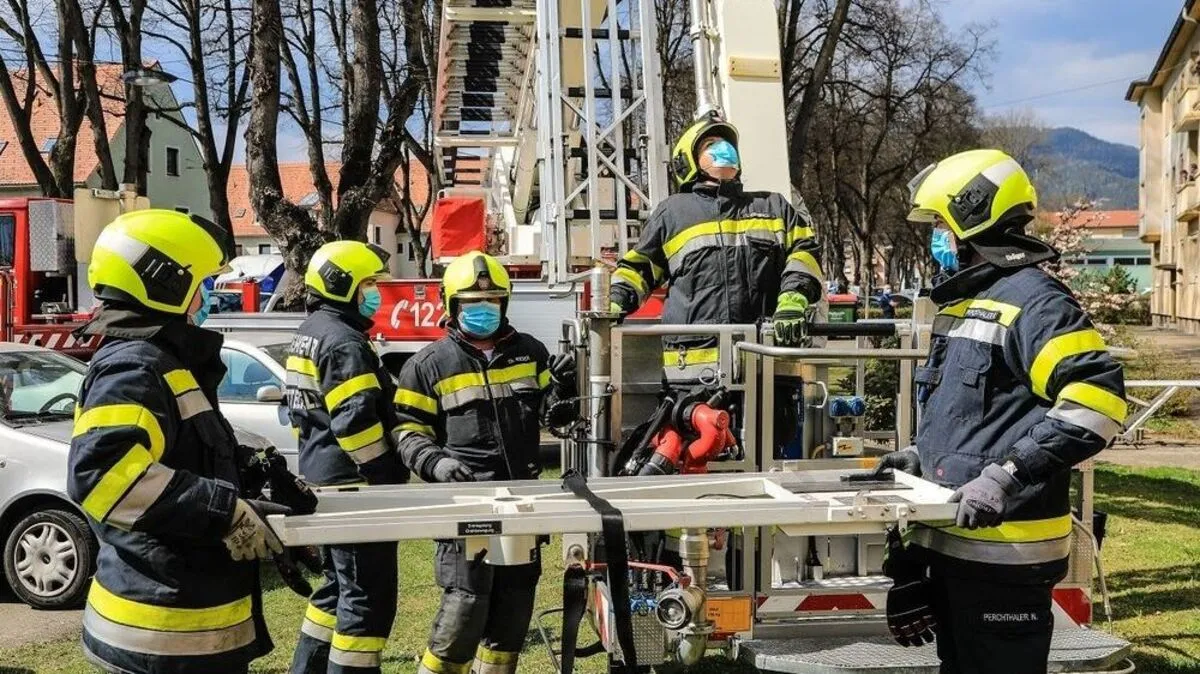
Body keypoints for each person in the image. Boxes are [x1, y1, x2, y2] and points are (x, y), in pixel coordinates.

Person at [873, 149, 1126, 673]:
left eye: (940, 225)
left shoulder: (1037, 303)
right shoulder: (964, 303)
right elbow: (974, 415)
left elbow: (1096, 401)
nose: (936, 238)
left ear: (972, 218)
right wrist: (923, 457)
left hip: (1007, 557)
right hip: (952, 552)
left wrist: (1006, 476)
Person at [68, 209, 282, 673]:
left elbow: (184, 452)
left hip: (184, 630)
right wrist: (223, 509)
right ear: (166, 282)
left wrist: (253, 471)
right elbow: (103, 477)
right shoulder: (134, 367)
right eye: (203, 282)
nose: (210, 295)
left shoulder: (166, 362)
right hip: (159, 638)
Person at [394, 251, 576, 674]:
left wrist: (561, 390)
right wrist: (435, 463)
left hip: (522, 506)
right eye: (472, 303)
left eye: (492, 300)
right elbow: (406, 432)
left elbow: (551, 413)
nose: (483, 309)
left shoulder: (530, 352)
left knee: (512, 615)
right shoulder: (427, 365)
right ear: (452, 305)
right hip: (466, 508)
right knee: (464, 610)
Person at [609, 112, 824, 385]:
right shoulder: (673, 213)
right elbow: (638, 270)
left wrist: (793, 299)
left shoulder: (774, 207)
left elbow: (804, 254)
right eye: (710, 144)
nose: (723, 149)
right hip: (691, 374)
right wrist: (613, 304)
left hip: (767, 369)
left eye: (727, 144)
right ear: (687, 161)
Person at [287, 241, 410, 674]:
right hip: (355, 488)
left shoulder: (312, 330)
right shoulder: (344, 343)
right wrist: (387, 474)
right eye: (368, 284)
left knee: (335, 588)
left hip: (323, 477)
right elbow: (355, 425)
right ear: (343, 285)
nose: (375, 292)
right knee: (365, 598)